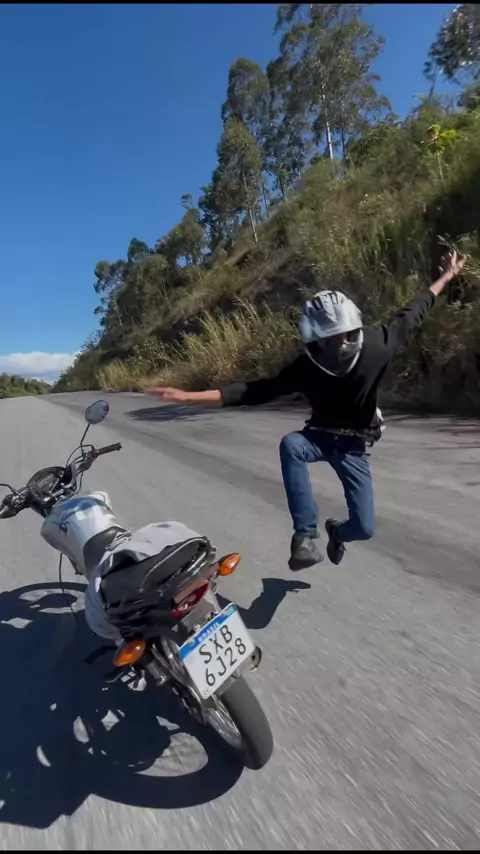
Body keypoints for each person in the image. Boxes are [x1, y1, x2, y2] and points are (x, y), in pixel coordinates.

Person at [148, 250, 466, 571]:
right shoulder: (308, 366)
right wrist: (189, 397)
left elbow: (416, 309)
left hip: (354, 446)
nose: (337, 346)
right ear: (316, 340)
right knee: (292, 445)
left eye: (342, 336)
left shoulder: (376, 346)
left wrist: (447, 275)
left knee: (364, 528)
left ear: (353, 329)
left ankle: (337, 532)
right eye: (329, 340)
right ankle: (304, 536)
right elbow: (254, 391)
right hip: (319, 437)